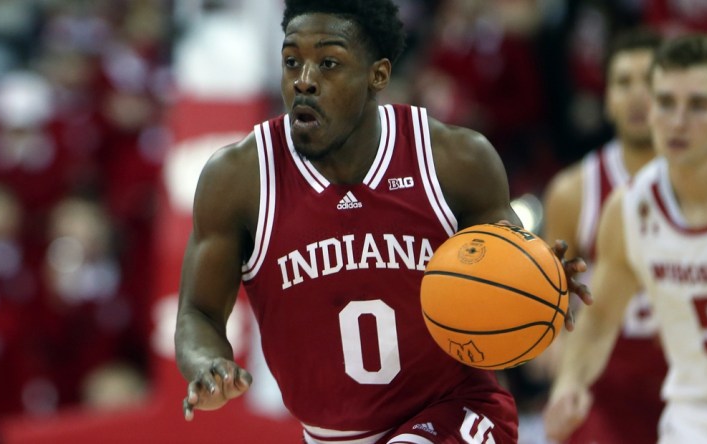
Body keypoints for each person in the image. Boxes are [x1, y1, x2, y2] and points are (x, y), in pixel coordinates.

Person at [174, 1, 590, 443]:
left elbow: (512, 269)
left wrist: (538, 280)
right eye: (291, 61)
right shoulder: (239, 179)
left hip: (457, 409)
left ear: (378, 75)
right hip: (329, 434)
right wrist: (207, 365)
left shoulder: (453, 160)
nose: (304, 80)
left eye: (329, 63)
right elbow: (197, 312)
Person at [544, 33, 707, 443]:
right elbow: (600, 320)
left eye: (698, 105)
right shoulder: (627, 208)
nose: (678, 121)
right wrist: (570, 381)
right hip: (692, 415)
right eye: (665, 103)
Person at [539, 28, 668, 443]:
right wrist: (553, 352)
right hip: (603, 384)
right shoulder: (574, 191)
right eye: (623, 83)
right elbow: (544, 300)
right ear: (607, 97)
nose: (636, 96)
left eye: (649, 82)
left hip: (689, 374)